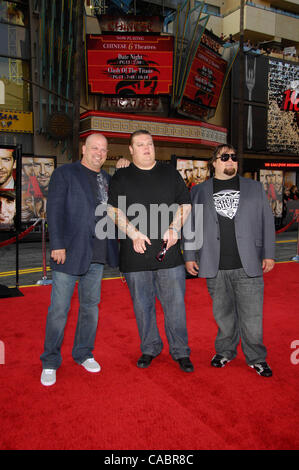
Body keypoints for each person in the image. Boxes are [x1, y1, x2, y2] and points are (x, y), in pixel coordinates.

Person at [184, 144, 275, 377]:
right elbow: (191, 225)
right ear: (213, 162)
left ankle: (256, 357)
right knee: (223, 315)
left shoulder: (254, 188)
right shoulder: (199, 191)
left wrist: (269, 253)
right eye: (225, 157)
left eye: (234, 157)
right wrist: (190, 255)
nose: (231, 161)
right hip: (215, 265)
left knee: (252, 317)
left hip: (248, 265)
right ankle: (225, 351)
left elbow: (267, 221)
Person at [108, 130, 194, 373]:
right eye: (140, 145)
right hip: (135, 254)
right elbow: (113, 210)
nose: (147, 148)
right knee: (142, 305)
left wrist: (175, 228)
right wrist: (133, 233)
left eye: (150, 144)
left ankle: (181, 351)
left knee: (175, 306)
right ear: (131, 150)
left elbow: (185, 203)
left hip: (169, 254)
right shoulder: (121, 176)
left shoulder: (170, 172)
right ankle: (150, 348)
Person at [40, 133, 119, 386]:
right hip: (69, 252)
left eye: (104, 149)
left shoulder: (107, 179)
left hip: (97, 254)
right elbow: (54, 209)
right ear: (83, 148)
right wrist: (58, 245)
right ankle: (50, 361)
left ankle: (83, 353)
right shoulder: (65, 174)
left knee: (90, 309)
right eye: (94, 147)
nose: (99, 152)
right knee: (59, 311)